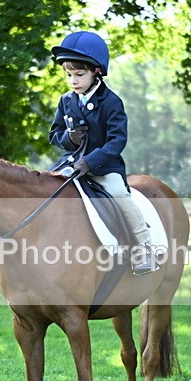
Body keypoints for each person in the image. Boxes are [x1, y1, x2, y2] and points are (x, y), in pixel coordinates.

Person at [49, 30, 155, 275]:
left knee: (119, 195)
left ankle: (144, 248)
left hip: (104, 167)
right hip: (71, 164)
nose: (73, 81)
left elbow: (117, 141)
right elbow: (55, 134)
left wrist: (90, 162)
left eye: (79, 75)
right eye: (69, 75)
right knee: (45, 188)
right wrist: (69, 139)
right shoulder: (66, 100)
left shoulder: (111, 102)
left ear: (96, 71)